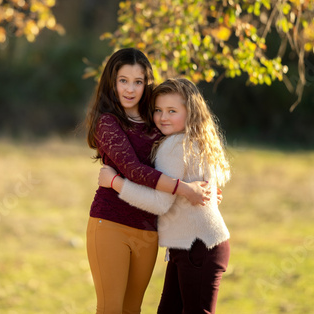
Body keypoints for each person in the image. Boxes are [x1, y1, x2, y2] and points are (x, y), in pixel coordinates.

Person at [85, 49, 210, 314]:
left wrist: (207, 185)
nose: (130, 89)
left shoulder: (157, 120)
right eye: (123, 80)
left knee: (133, 310)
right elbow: (133, 170)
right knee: (110, 309)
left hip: (148, 231)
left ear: (147, 83)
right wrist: (185, 189)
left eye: (138, 81)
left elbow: (189, 147)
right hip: (110, 224)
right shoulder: (107, 122)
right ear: (112, 82)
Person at [99, 78, 231, 314]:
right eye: (158, 110)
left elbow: (159, 203)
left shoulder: (174, 146)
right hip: (193, 246)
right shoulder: (200, 140)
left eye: (172, 111)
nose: (163, 117)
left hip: (197, 246)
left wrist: (115, 183)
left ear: (190, 113)